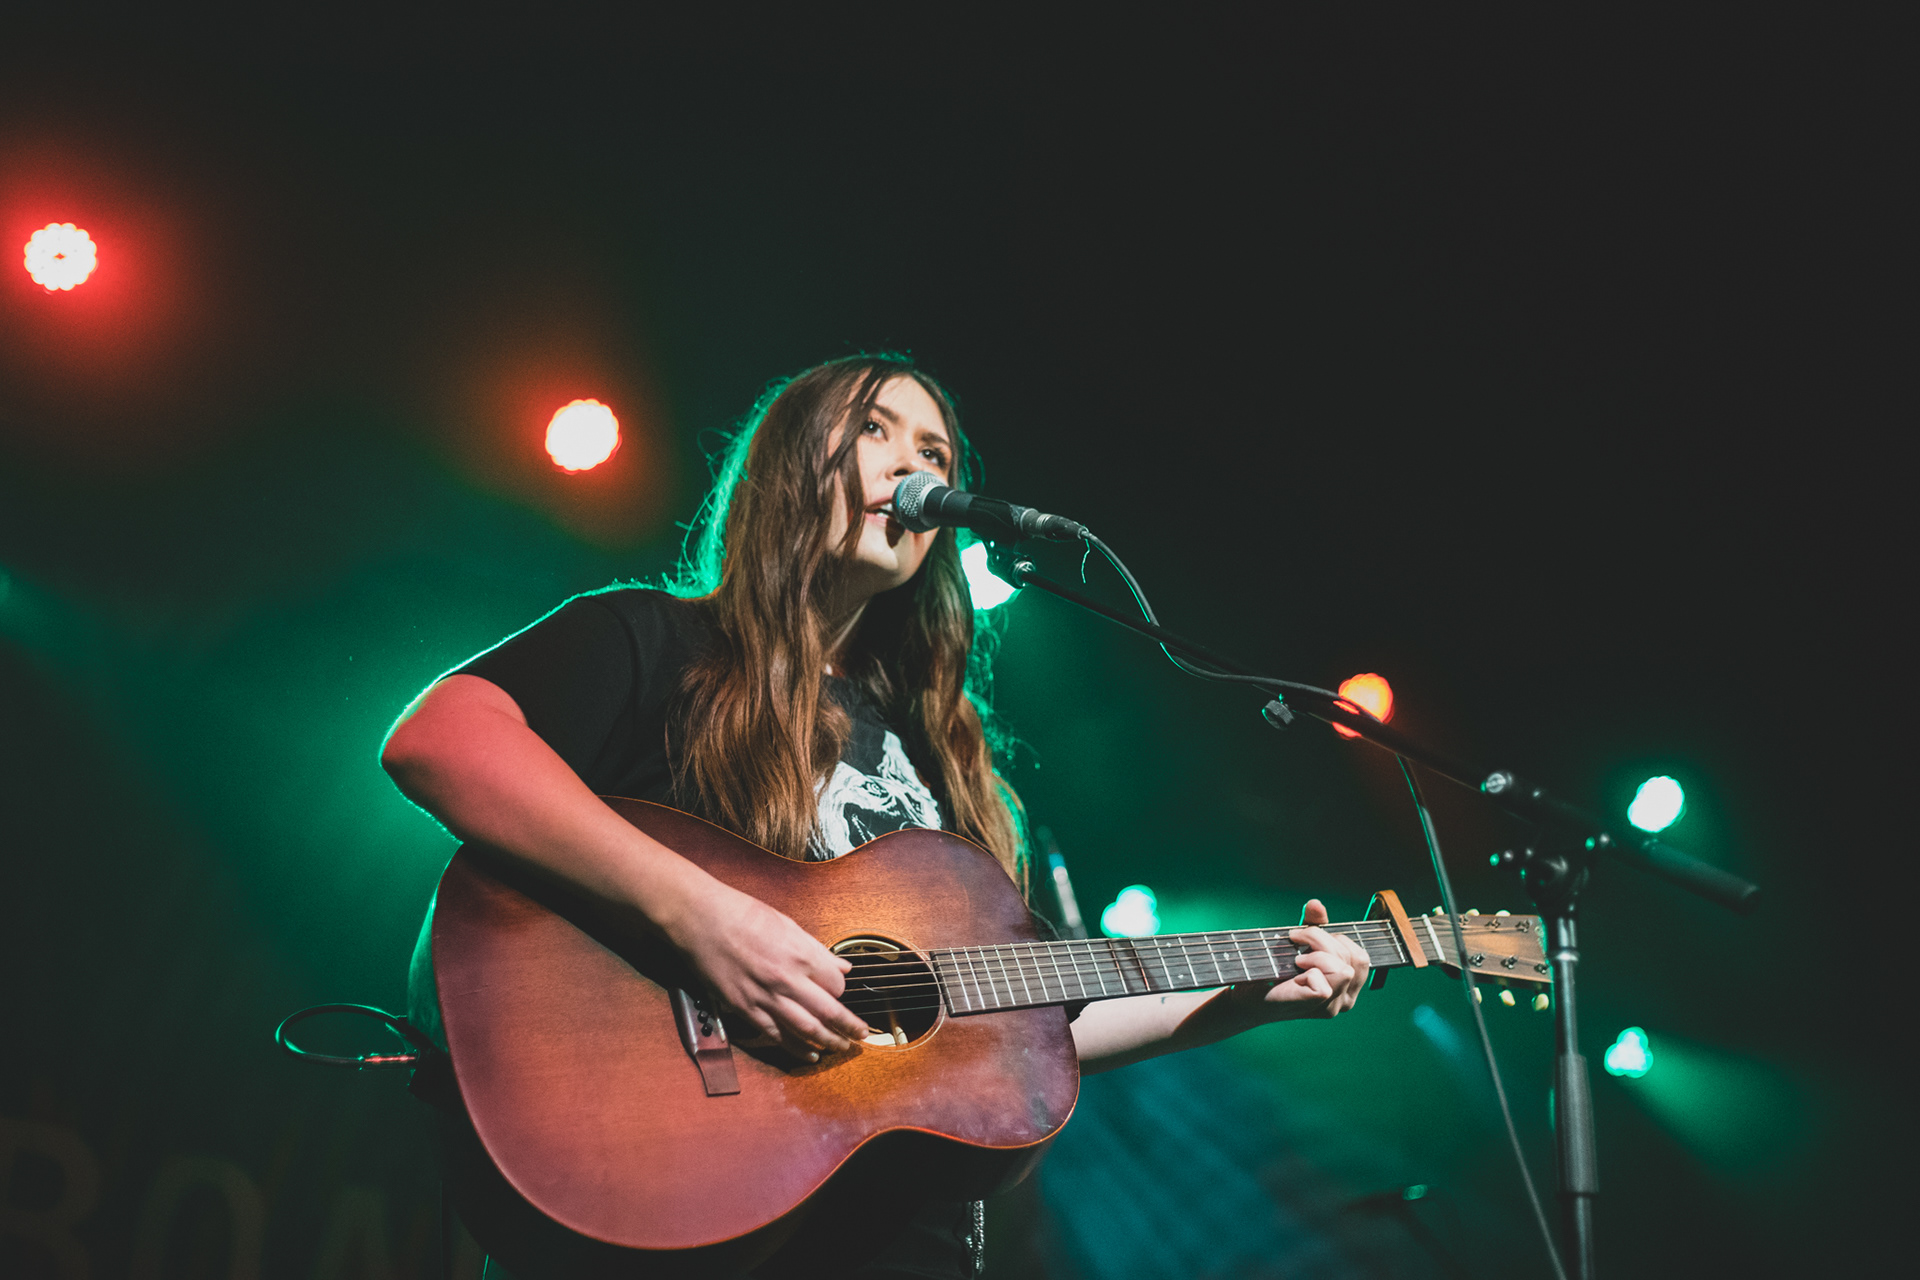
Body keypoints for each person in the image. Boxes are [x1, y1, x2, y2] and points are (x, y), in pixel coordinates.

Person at [381, 354, 1370, 1278]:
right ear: (789, 461)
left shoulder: (959, 768)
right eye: (877, 430)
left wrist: (1250, 993)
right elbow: (441, 739)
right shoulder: (657, 640)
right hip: (671, 1201)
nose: (914, 463)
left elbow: (1042, 1009)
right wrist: (704, 919)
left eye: (936, 452)